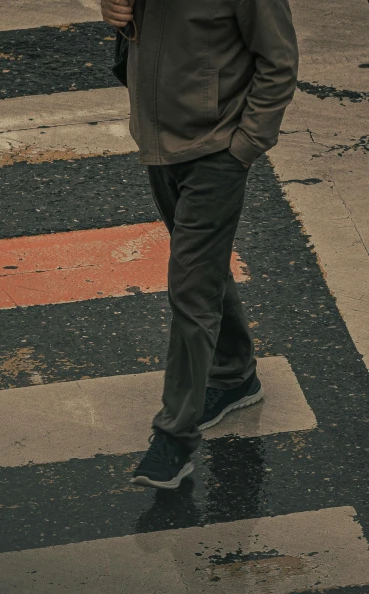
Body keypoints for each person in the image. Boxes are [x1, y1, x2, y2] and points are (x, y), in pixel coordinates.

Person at [101, 0, 298, 489]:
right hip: (158, 141)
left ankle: (174, 440)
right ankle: (234, 375)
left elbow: (280, 60)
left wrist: (246, 146)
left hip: (217, 149)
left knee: (191, 288)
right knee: (203, 268)